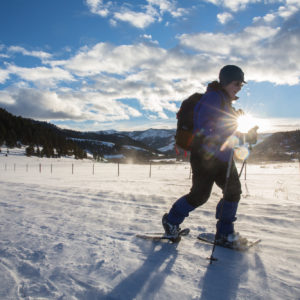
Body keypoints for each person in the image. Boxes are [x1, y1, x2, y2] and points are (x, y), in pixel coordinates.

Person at [163, 65, 247, 245]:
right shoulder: (213, 98)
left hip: (223, 158)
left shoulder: (226, 101)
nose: (240, 87)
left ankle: (225, 233)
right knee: (200, 195)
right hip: (205, 157)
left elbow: (228, 130)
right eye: (237, 83)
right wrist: (236, 132)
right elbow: (207, 128)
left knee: (233, 192)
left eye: (242, 84)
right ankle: (171, 221)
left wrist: (245, 135)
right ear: (225, 82)